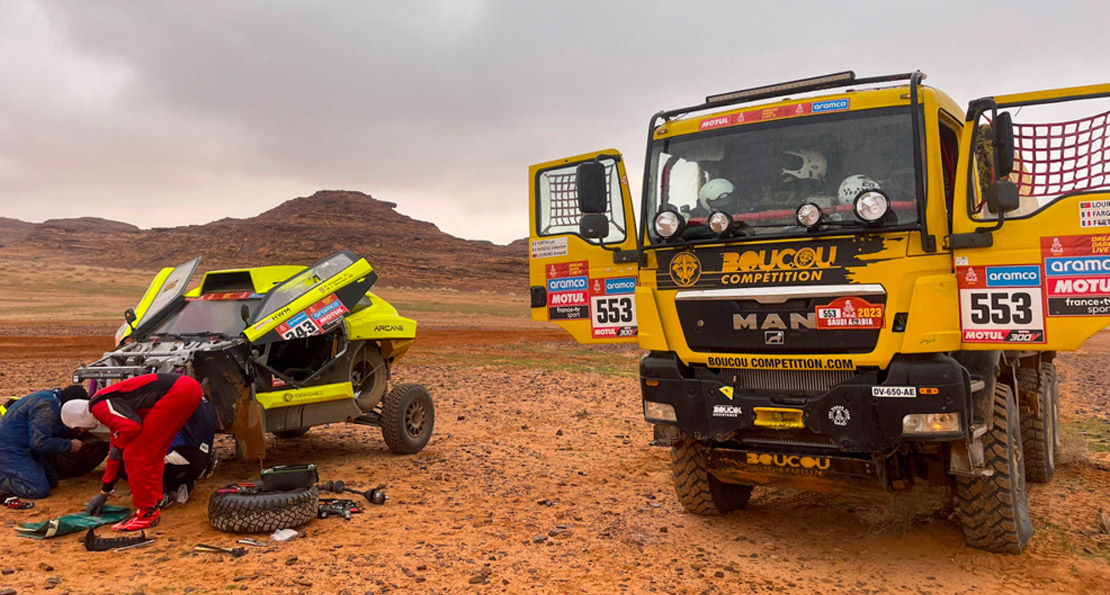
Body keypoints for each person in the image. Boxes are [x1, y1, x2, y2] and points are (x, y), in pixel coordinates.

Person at [61, 373, 202, 531]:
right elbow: (114, 453)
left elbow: (131, 428)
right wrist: (104, 491)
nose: (82, 431)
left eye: (78, 428)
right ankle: (153, 504)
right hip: (187, 389)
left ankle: (146, 513)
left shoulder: (98, 406)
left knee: (135, 454)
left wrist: (121, 447)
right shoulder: (106, 407)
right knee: (153, 454)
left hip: (177, 392)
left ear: (79, 421)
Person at [0, 385, 90, 499]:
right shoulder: (47, 406)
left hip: (22, 446)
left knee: (52, 482)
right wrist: (69, 445)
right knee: (37, 489)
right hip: (9, 448)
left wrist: (69, 431)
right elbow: (39, 441)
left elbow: (47, 428)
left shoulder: (53, 399)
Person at [161, 396, 218, 505]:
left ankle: (163, 492)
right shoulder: (201, 400)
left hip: (186, 459)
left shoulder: (166, 401)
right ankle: (185, 481)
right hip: (203, 457)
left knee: (133, 458)